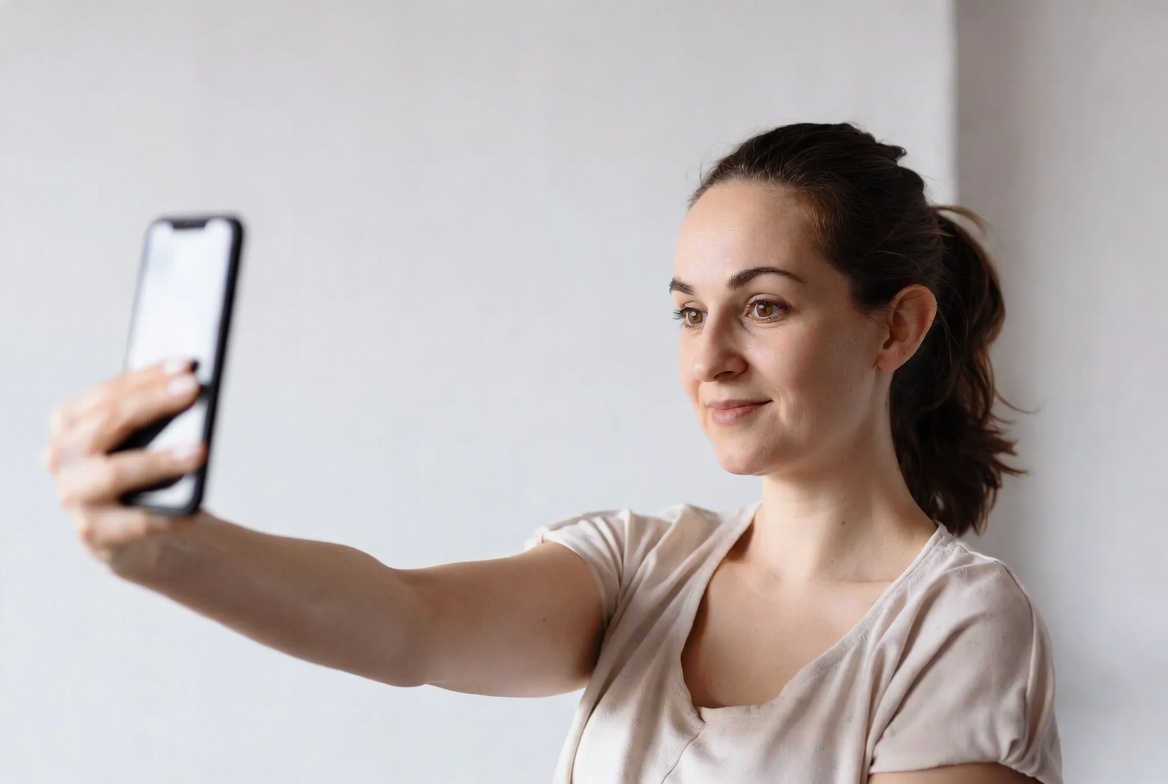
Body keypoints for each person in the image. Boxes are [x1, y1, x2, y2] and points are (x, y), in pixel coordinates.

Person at [43, 122, 1062, 784]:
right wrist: (168, 549)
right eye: (686, 312)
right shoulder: (636, 569)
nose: (709, 358)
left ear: (895, 328)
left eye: (762, 306)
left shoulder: (957, 623)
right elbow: (406, 621)